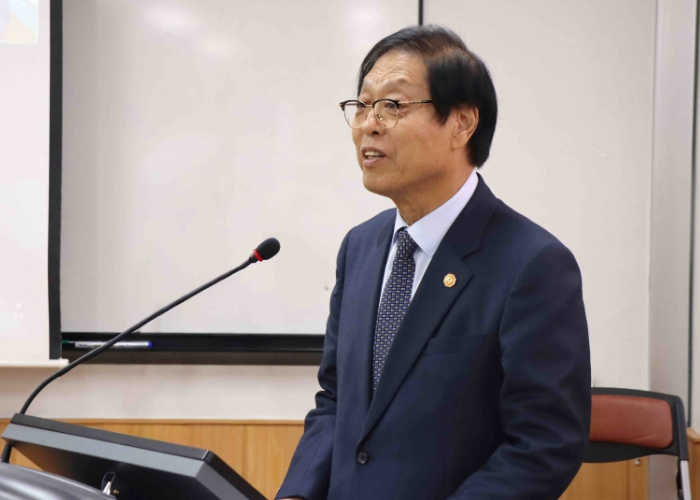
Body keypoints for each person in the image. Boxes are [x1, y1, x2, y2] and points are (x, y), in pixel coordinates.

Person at [278, 25, 591, 500]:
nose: (369, 124)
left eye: (393, 105)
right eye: (362, 105)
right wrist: (297, 495)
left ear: (461, 124)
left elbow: (543, 445)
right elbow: (337, 399)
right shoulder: (359, 247)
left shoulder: (533, 263)